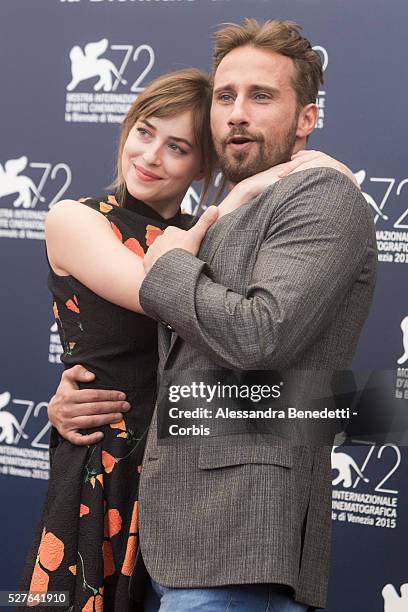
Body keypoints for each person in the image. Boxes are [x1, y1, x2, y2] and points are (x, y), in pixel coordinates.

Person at [45, 19, 374, 612]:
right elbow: (168, 346)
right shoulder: (203, 221)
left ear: (307, 118)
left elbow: (260, 337)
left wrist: (354, 408)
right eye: (227, 97)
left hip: (238, 536)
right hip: (149, 521)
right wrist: (63, 399)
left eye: (262, 95)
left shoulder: (319, 195)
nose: (238, 113)